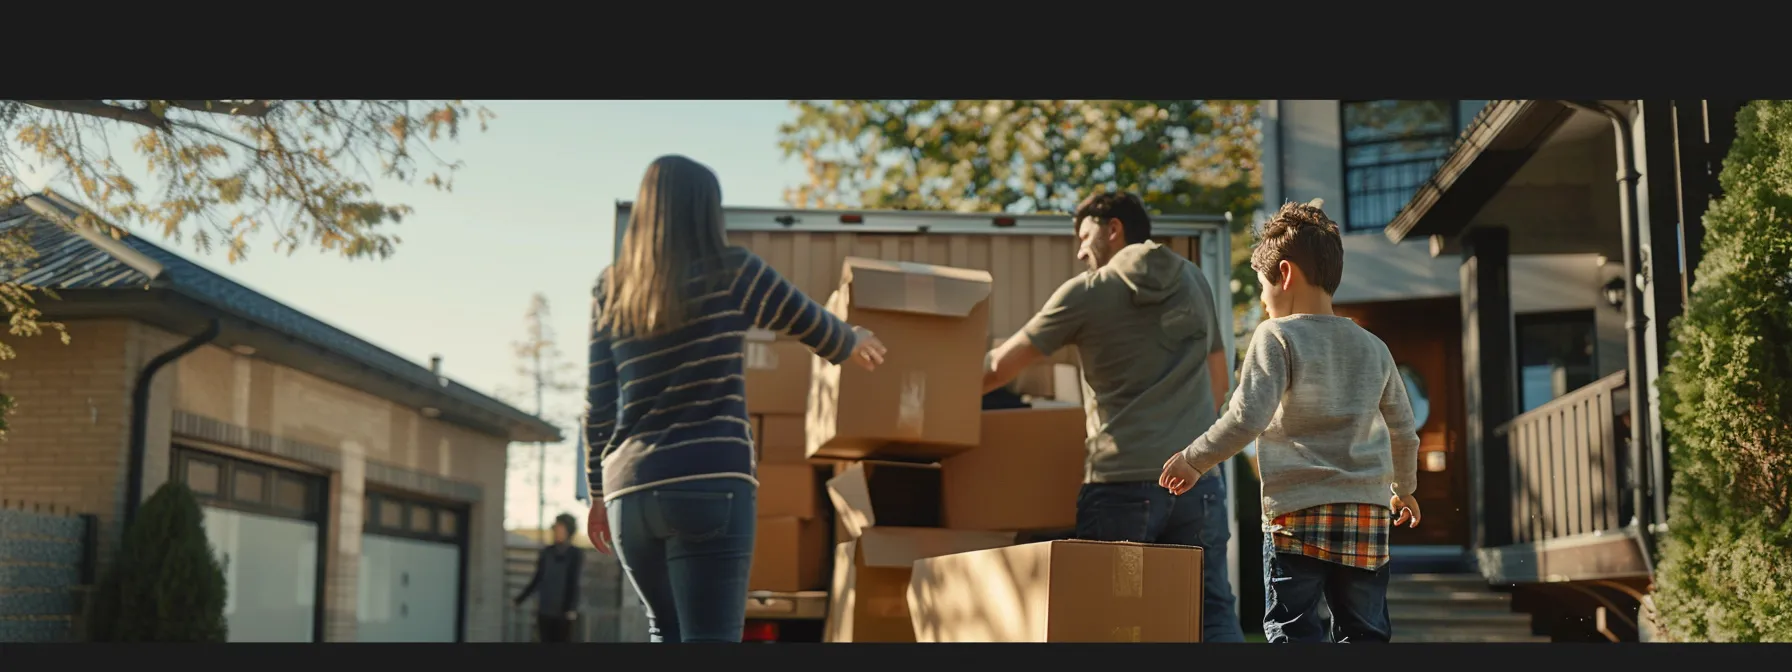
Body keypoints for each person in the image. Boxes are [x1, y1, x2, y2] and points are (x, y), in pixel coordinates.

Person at [583, 155, 888, 643]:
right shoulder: (733, 271)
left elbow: (598, 403)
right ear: (708, 210)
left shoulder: (611, 287)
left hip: (630, 493)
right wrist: (850, 341)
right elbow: (806, 320)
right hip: (709, 482)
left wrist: (597, 494)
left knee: (666, 630)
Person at [982, 190, 1244, 643]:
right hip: (1199, 484)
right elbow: (1217, 379)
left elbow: (998, 368)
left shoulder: (1088, 293)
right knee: (1211, 613)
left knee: (1118, 621)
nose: (1081, 250)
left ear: (1112, 228)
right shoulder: (1194, 280)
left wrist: (936, 390)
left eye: (1084, 236)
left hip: (1124, 488)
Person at [1160, 201, 1422, 644]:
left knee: (1294, 629)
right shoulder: (1373, 346)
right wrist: (1405, 489)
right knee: (1365, 632)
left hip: (1297, 514)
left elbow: (1247, 417)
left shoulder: (1277, 336)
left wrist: (1194, 459)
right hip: (1365, 513)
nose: (1262, 302)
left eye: (1261, 288)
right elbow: (1402, 429)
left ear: (1284, 274)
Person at [514, 513, 583, 643]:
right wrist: (520, 598)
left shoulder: (574, 554)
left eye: (560, 528)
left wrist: (571, 608)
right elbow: (538, 578)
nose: (557, 531)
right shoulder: (547, 552)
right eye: (556, 528)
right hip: (545, 609)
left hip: (563, 612)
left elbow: (573, 581)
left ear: (568, 530)